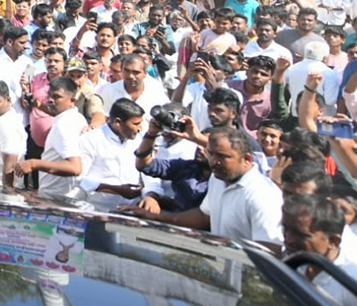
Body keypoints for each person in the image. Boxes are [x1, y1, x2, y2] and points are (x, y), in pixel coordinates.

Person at [123, 127, 283, 243]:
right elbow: (203, 216)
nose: (214, 161)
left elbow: (270, 250)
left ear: (247, 159)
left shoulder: (262, 195)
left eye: (222, 156)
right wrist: (157, 217)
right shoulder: (218, 179)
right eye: (211, 154)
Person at [15, 76, 87, 198]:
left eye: (57, 97)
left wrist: (34, 164)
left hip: (57, 197)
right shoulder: (75, 118)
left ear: (72, 101)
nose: (50, 100)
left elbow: (75, 168)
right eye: (49, 96)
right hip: (62, 194)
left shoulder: (65, 125)